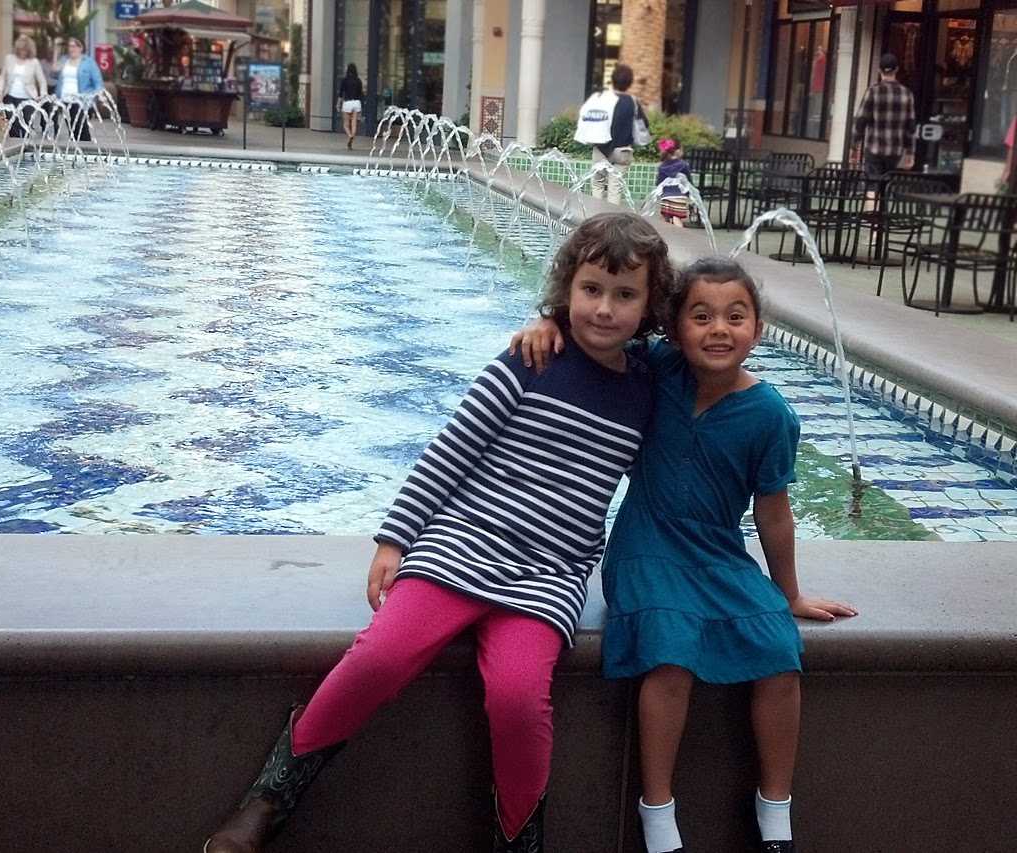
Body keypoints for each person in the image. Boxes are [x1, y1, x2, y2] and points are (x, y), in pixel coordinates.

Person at [202, 212, 677, 853]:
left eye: (625, 295)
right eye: (591, 289)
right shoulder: (530, 360)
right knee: (380, 657)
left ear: (649, 306)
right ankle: (270, 797)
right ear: (567, 287)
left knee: (517, 698)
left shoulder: (649, 389)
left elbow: (702, 355)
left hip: (549, 575)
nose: (604, 309)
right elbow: (450, 451)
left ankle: (519, 839)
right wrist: (395, 539)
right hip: (462, 544)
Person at [511, 256, 857, 853]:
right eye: (701, 316)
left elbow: (774, 513)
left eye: (735, 316)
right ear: (673, 328)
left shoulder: (771, 415)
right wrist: (549, 323)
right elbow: (602, 332)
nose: (718, 329)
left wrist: (790, 593)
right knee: (671, 656)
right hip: (645, 547)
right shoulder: (657, 368)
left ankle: (775, 811)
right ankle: (657, 812)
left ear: (758, 329)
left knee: (780, 654)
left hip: (719, 552)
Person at [851, 53, 915, 179]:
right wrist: (910, 153)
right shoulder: (907, 94)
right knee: (888, 184)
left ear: (879, 70)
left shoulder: (873, 91)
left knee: (872, 184)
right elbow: (911, 126)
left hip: (874, 148)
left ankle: (872, 193)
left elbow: (861, 121)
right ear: (896, 69)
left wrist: (853, 146)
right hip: (896, 151)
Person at [592, 63, 647, 202]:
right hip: (623, 151)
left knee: (598, 183)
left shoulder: (603, 99)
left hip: (602, 149)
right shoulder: (632, 102)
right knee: (615, 188)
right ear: (629, 83)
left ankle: (596, 213)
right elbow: (643, 124)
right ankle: (612, 214)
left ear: (613, 80)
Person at [0, 34, 48, 139]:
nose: (23, 52)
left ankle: (25, 145)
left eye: (25, 50)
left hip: (27, 98)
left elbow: (42, 81)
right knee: (13, 124)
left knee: (26, 125)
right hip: (10, 96)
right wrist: (0, 90)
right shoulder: (9, 59)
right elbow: (3, 76)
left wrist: (43, 94)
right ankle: (14, 145)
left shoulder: (34, 62)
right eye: (21, 50)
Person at [55, 37, 104, 143]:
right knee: (72, 129)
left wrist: (100, 96)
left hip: (83, 100)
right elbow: (55, 77)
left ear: (81, 48)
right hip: (65, 100)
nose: (71, 49)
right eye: (69, 46)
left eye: (74, 46)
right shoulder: (64, 60)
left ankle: (86, 148)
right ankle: (74, 149)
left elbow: (97, 80)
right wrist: (54, 71)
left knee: (82, 128)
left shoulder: (89, 62)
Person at [655, 139, 691, 227]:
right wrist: (689, 193)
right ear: (678, 151)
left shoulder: (662, 166)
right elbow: (689, 181)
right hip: (680, 196)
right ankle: (680, 234)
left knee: (665, 217)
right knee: (676, 218)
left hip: (666, 196)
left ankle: (663, 233)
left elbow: (658, 182)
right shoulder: (683, 165)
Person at [337, 63, 364, 149]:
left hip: (347, 102)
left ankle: (350, 136)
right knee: (354, 123)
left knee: (346, 124)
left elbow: (341, 94)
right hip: (357, 102)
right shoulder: (358, 81)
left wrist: (338, 104)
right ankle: (352, 136)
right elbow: (361, 94)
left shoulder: (344, 81)